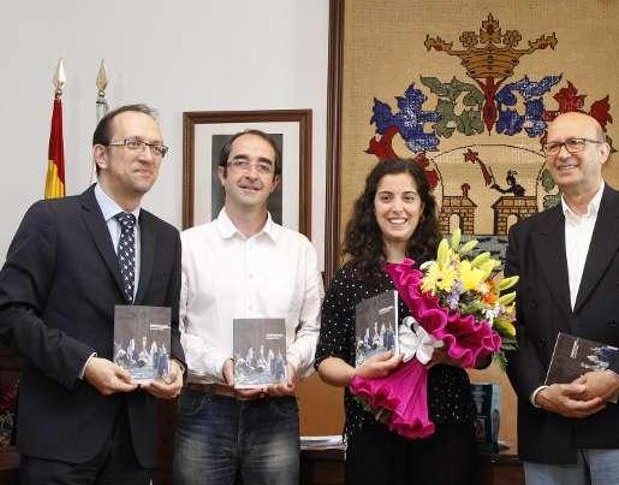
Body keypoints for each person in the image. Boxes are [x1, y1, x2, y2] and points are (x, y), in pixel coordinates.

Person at [0, 104, 184, 484]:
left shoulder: (166, 238)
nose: (148, 155)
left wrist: (175, 365)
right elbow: (10, 312)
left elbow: (169, 328)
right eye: (134, 143)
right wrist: (83, 364)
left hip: (135, 442)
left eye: (157, 148)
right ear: (100, 154)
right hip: (60, 435)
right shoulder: (50, 219)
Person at [504, 111, 619, 485]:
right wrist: (538, 392)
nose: (562, 153)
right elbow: (511, 326)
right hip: (548, 424)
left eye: (575, 143)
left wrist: (617, 376)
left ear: (603, 151)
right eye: (553, 145)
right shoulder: (525, 234)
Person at [316, 157, 480, 485]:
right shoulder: (350, 277)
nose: (397, 208)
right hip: (374, 425)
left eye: (408, 197)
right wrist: (357, 373)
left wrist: (447, 353)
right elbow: (325, 360)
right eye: (386, 197)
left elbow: (484, 350)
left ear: (422, 207)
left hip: (445, 425)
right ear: (371, 206)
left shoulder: (451, 271)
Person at [173, 129, 323, 484]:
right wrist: (221, 364)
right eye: (241, 162)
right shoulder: (187, 246)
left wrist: (290, 364)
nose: (252, 174)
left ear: (275, 182)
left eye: (264, 166)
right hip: (204, 406)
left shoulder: (299, 249)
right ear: (222, 174)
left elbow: (313, 328)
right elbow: (173, 329)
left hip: (275, 411)